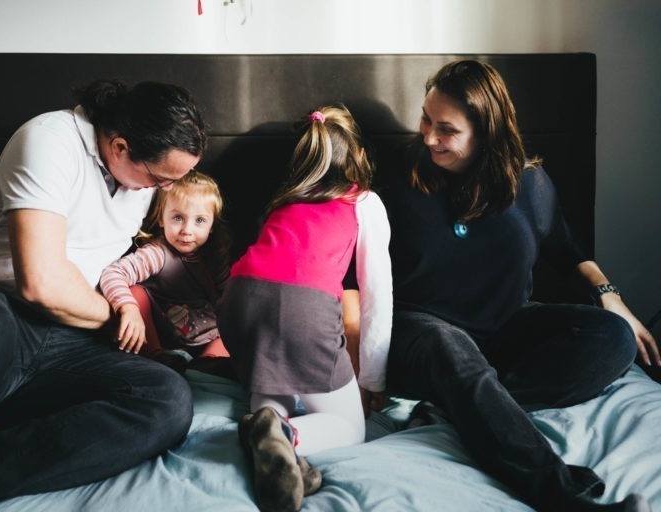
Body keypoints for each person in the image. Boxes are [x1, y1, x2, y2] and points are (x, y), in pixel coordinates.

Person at [0, 79, 206, 512]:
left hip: (63, 348)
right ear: (119, 147)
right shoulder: (48, 140)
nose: (165, 189)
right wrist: (119, 315)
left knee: (168, 400)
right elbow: (40, 283)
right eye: (160, 178)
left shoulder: (140, 183)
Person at [382, 59, 659, 512]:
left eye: (446, 129)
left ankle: (459, 409)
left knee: (613, 338)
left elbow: (569, 252)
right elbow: (351, 272)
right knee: (448, 345)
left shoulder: (529, 185)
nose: (429, 137)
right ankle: (565, 497)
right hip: (421, 335)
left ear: (486, 132)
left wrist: (614, 301)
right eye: (426, 120)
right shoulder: (397, 179)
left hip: (504, 331)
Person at [217, 106, 392, 512]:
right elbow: (375, 300)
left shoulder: (284, 200)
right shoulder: (364, 201)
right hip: (301, 309)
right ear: (359, 156)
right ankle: (289, 437)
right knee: (350, 428)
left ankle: (266, 428)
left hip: (237, 299)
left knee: (274, 375)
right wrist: (374, 380)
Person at [99, 170, 231, 373]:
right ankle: (154, 354)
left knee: (238, 323)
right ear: (162, 219)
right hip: (165, 336)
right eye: (178, 218)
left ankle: (208, 362)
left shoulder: (215, 256)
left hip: (210, 334)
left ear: (212, 225)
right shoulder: (157, 254)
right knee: (135, 291)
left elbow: (231, 298)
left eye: (199, 221)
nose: (187, 230)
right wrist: (128, 308)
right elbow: (113, 274)